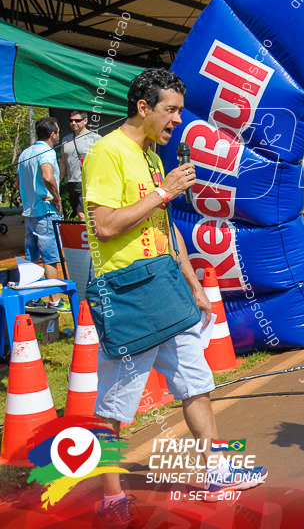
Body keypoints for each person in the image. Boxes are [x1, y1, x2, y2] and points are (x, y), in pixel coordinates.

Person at [84, 68, 266, 528]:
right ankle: (110, 496)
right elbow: (104, 225)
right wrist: (166, 191)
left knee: (196, 381)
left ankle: (210, 470)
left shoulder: (151, 157)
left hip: (166, 284)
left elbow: (164, 226)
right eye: (171, 110)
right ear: (143, 107)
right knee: (115, 403)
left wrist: (194, 284)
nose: (177, 121)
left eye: (180, 111)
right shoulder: (107, 153)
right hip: (128, 292)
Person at [18, 117, 65, 308]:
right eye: (59, 131)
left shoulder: (25, 153)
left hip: (29, 212)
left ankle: (31, 298)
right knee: (51, 258)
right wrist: (57, 198)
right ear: (52, 134)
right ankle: (55, 301)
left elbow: (17, 182)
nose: (59, 134)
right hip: (45, 211)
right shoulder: (47, 152)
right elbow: (48, 176)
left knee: (30, 258)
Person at [60, 110, 102, 221]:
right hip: (72, 182)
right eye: (71, 121)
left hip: (88, 181)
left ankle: (86, 236)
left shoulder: (95, 138)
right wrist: (57, 181)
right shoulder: (66, 140)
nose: (73, 123)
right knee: (79, 213)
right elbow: (63, 162)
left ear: (85, 121)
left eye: (77, 120)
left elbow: (103, 161)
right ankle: (86, 235)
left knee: (81, 213)